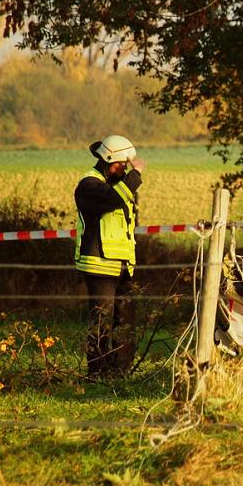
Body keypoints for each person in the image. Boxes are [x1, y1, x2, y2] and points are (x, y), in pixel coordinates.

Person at [74, 134, 145, 377]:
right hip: (99, 264)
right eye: (121, 165)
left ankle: (120, 372)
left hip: (122, 265)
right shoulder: (89, 185)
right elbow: (113, 199)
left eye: (126, 167)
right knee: (101, 321)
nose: (123, 170)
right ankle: (97, 373)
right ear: (107, 160)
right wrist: (135, 176)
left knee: (125, 321)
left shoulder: (117, 186)